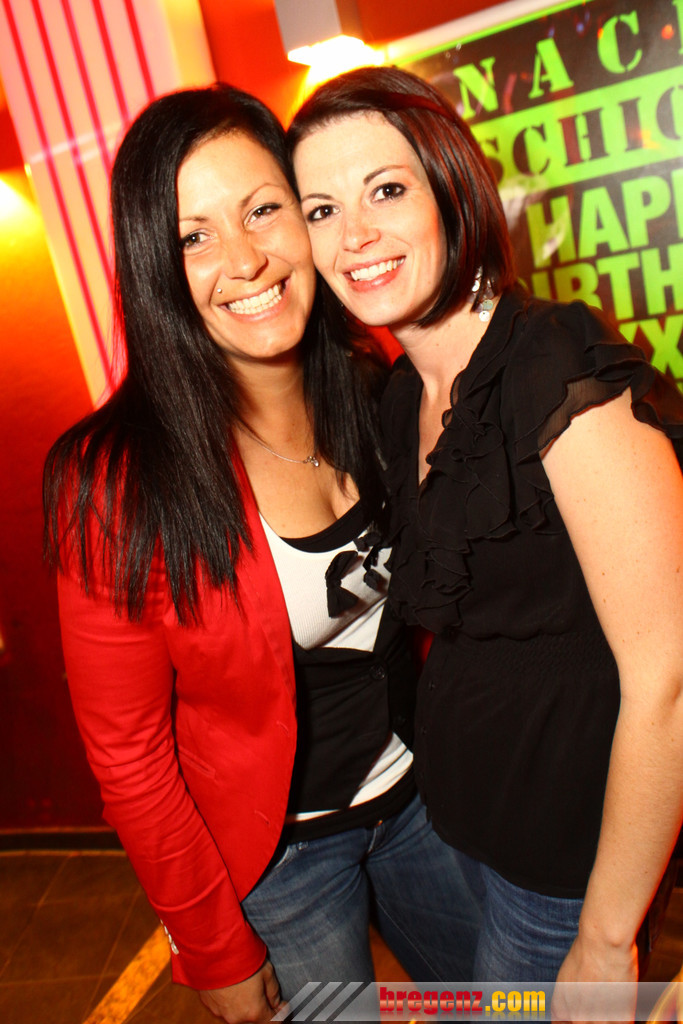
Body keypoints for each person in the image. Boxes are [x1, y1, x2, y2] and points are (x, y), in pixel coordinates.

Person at [43, 83, 483, 1024]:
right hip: (280, 862)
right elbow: (129, 755)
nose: (244, 260)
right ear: (155, 265)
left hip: (420, 799)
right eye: (193, 237)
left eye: (262, 210)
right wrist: (209, 944)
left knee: (497, 1004)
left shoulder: (374, 386)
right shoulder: (114, 481)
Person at [288, 65, 683, 1004]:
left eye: (386, 190)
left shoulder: (551, 362)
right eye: (321, 210)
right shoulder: (401, 397)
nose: (354, 236)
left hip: (562, 872)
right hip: (461, 829)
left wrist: (605, 936)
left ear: (450, 190)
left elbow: (668, 679)